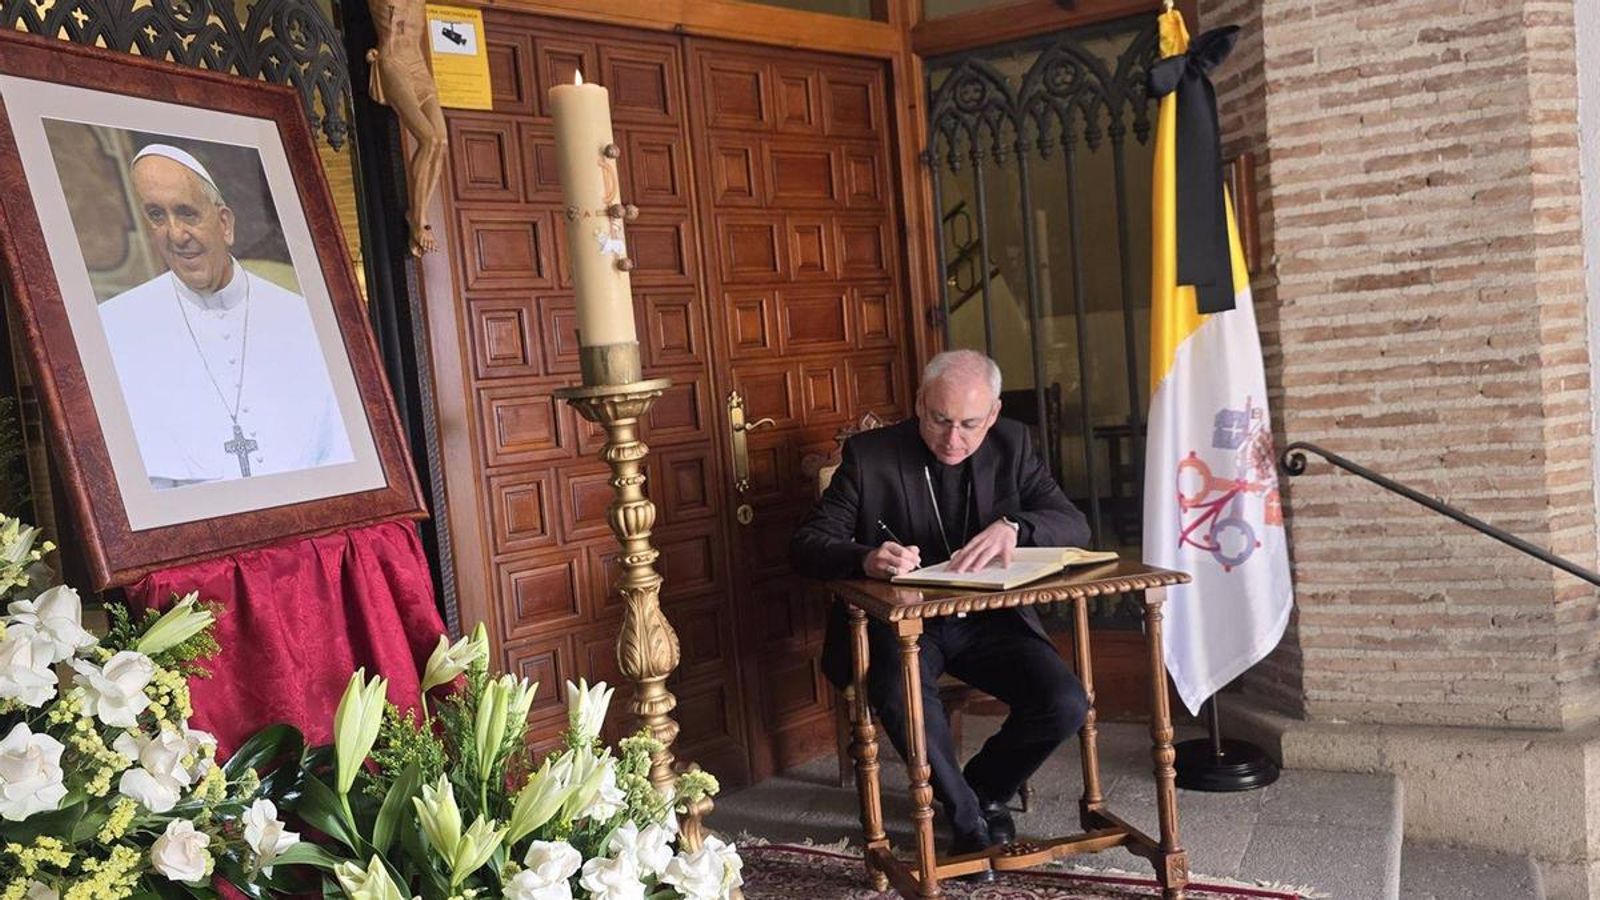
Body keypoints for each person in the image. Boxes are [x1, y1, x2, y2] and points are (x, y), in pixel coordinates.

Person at [790, 349, 1092, 874]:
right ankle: (969, 824)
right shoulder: (871, 454)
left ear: (993, 415)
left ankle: (982, 791)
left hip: (990, 621)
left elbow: (1074, 525)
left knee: (1065, 702)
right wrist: (865, 557)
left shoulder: (1013, 445)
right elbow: (807, 544)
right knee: (902, 692)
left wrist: (1016, 526)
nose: (954, 439)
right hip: (900, 626)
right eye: (940, 420)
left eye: (970, 424)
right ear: (919, 404)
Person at [98, 144, 355, 490]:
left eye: (187, 213)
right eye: (157, 216)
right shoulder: (115, 327)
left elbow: (339, 455)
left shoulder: (304, 320)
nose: (175, 234)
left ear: (225, 224)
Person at [365, 0, 446, 257]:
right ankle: (418, 218)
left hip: (419, 67)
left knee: (441, 142)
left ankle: (418, 211)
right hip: (393, 61)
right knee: (429, 138)